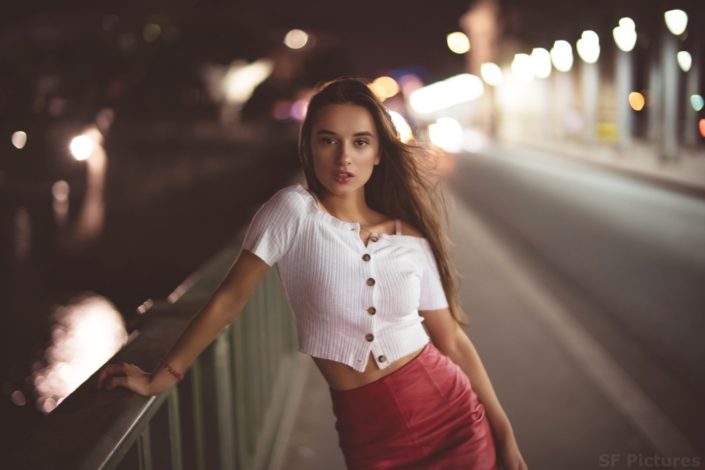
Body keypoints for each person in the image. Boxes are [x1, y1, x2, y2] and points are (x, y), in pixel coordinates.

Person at [98, 77, 527, 469]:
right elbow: (229, 300)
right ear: (309, 148)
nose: (344, 157)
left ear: (378, 153)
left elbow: (451, 340)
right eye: (329, 141)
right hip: (371, 440)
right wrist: (161, 377)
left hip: (452, 420)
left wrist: (506, 437)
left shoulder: (409, 238)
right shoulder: (292, 212)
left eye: (360, 142)